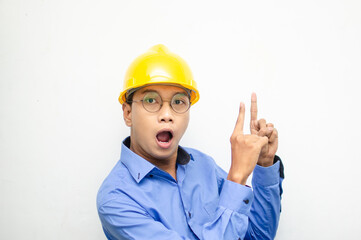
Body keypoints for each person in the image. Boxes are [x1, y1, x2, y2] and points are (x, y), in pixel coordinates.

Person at [97, 44, 284, 240]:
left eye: (178, 102)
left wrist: (265, 163)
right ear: (128, 114)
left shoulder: (203, 165)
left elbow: (258, 236)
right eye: (151, 100)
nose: (167, 115)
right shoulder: (116, 199)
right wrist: (237, 178)